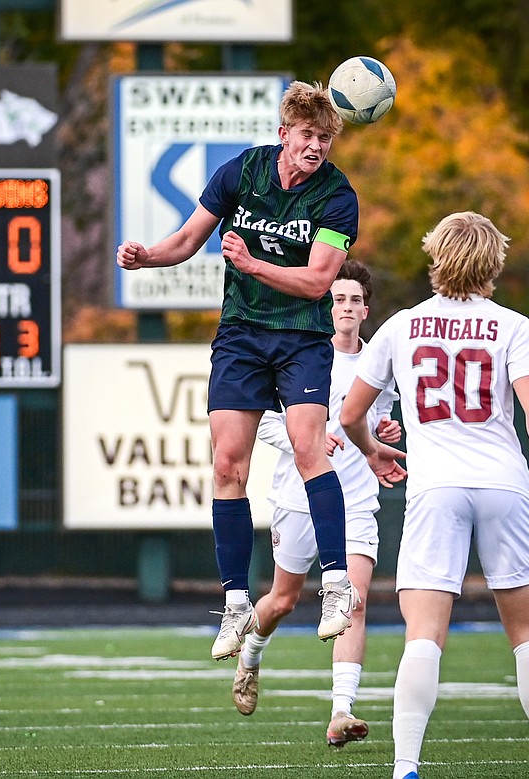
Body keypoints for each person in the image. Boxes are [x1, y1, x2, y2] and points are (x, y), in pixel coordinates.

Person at [117, 81, 361, 661]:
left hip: (302, 336)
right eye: (307, 136)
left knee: (309, 449)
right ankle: (233, 603)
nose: (316, 147)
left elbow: (319, 281)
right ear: (284, 135)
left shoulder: (337, 195)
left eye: (325, 138)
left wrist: (250, 261)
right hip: (241, 335)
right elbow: (185, 239)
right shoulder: (241, 173)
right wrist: (148, 257)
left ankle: (336, 584)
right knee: (227, 463)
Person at [339, 211, 529, 779]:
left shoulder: (400, 326)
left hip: (435, 485)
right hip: (504, 485)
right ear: (494, 262)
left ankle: (406, 767)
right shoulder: (512, 325)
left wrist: (372, 451)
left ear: (434, 256)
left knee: (423, 633)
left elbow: (350, 413)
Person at [231, 260, 402, 747]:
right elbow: (260, 422)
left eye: (353, 300)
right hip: (299, 499)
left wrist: (386, 433)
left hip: (355, 500)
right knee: (283, 600)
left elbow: (380, 423)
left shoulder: (380, 365)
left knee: (355, 600)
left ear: (365, 310)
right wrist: (307, 440)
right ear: (324, 304)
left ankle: (342, 711)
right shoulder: (299, 355)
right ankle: (251, 655)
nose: (345, 308)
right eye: (337, 298)